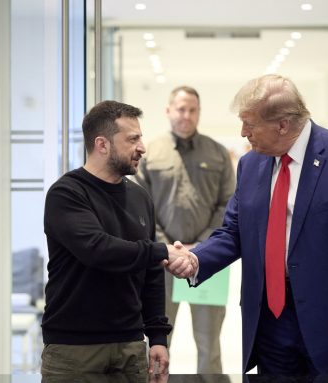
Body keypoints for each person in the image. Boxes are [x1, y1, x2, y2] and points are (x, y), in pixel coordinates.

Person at [172, 74, 328, 374]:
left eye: (249, 124)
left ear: (282, 124)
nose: (242, 133)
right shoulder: (251, 164)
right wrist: (196, 258)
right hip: (270, 321)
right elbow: (235, 232)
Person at [41, 100, 196, 377]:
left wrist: (158, 337)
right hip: (74, 349)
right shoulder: (66, 194)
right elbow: (97, 249)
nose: (142, 147)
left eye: (141, 137)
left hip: (130, 346)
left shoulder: (139, 196)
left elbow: (150, 273)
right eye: (132, 139)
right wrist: (161, 250)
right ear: (102, 145)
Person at [135, 86, 236, 373]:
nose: (186, 115)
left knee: (209, 343)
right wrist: (168, 248)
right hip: (161, 264)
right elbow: (141, 208)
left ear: (199, 113)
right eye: (181, 108)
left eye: (192, 109)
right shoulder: (151, 152)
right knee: (157, 342)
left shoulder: (216, 153)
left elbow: (227, 205)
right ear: (168, 111)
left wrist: (201, 249)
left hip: (208, 264)